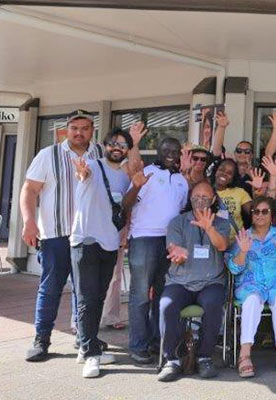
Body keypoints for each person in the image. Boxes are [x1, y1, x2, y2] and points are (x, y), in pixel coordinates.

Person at [22, 110, 105, 362]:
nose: (79, 133)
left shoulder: (100, 153)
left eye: (85, 128)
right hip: (56, 234)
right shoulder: (48, 155)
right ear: (65, 130)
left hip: (89, 235)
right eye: (74, 128)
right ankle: (41, 339)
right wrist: (28, 223)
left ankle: (84, 336)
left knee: (86, 290)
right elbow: (30, 189)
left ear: (93, 130)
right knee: (50, 288)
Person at [68, 128, 138, 377]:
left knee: (97, 297)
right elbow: (82, 174)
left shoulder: (123, 176)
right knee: (87, 298)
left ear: (127, 150)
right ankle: (90, 354)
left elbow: (126, 204)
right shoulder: (92, 165)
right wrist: (81, 171)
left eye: (123, 144)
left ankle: (88, 344)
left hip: (110, 244)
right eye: (113, 143)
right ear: (104, 145)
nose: (117, 147)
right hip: (86, 240)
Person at [122, 137, 189, 365]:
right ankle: (138, 345)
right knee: (140, 294)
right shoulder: (147, 173)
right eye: (166, 149)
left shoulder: (182, 181)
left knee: (162, 295)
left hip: (169, 242)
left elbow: (179, 212)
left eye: (175, 150)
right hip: (144, 238)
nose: (171, 153)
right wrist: (137, 185)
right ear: (159, 152)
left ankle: (155, 341)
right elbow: (126, 204)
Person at [157, 182, 230, 382]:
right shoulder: (177, 222)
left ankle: (204, 356)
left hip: (210, 282)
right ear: (190, 199)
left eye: (205, 198)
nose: (199, 201)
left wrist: (209, 228)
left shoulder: (222, 222)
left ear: (214, 200)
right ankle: (171, 360)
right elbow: (173, 249)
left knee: (213, 304)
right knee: (167, 306)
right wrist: (178, 254)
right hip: (180, 282)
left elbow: (222, 245)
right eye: (196, 197)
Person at [227, 197, 276, 377]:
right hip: (251, 283)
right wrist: (242, 251)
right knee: (251, 301)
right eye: (256, 211)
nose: (260, 215)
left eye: (264, 211)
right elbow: (234, 269)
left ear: (272, 214)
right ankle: (244, 355)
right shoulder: (243, 236)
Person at [211, 158, 252, 230]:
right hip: (212, 239)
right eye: (221, 170)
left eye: (229, 173)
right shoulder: (205, 190)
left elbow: (255, 212)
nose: (224, 174)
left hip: (236, 240)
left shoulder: (240, 192)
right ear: (216, 170)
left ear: (233, 178)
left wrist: (256, 190)